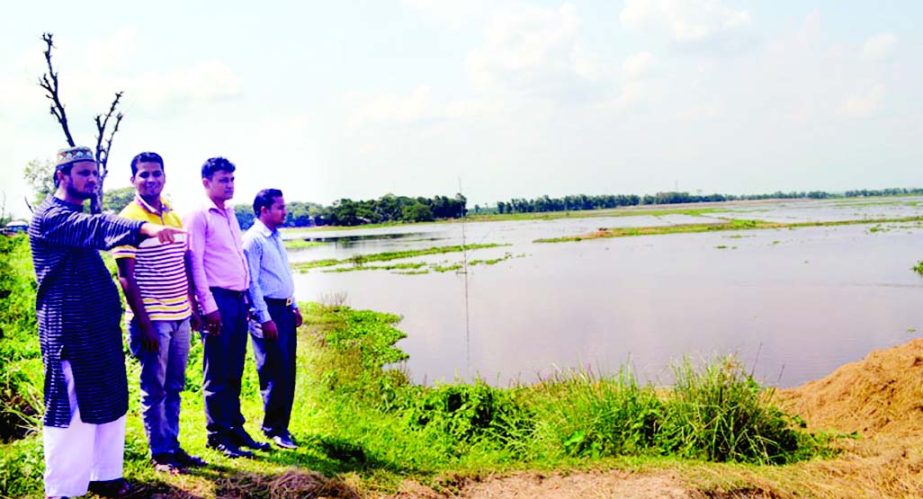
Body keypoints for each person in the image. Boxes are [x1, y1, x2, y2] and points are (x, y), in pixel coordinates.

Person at [29, 146, 184, 498]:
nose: (92, 179)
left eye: (95, 173)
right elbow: (98, 226)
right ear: (61, 176)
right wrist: (142, 227)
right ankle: (64, 489)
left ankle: (105, 475)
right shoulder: (51, 217)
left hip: (99, 327)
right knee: (71, 404)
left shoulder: (73, 213)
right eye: (83, 172)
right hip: (68, 327)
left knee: (110, 397)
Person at [112, 152, 207, 473]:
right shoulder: (128, 219)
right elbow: (125, 276)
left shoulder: (173, 214)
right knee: (154, 386)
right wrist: (145, 323)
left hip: (180, 314)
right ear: (133, 180)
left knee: (175, 385)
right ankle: (160, 454)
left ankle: (173, 445)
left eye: (156, 174)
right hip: (152, 318)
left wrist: (192, 307)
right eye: (144, 175)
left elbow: (182, 264)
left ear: (164, 177)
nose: (151, 180)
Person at [185, 157, 269, 458]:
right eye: (223, 180)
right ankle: (217, 434)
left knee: (235, 368)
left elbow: (236, 257)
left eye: (232, 179)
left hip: (236, 299)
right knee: (217, 370)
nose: (230, 184)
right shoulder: (198, 214)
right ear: (206, 182)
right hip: (216, 301)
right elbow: (194, 261)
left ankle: (235, 427)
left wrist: (246, 296)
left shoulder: (230, 213)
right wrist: (207, 307)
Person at [243, 189, 303, 449]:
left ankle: (282, 426)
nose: (284, 211)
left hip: (285, 310)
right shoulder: (253, 240)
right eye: (279, 207)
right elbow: (252, 283)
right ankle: (273, 428)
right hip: (269, 312)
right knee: (273, 371)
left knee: (287, 370)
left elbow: (284, 275)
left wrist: (295, 305)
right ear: (264, 210)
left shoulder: (275, 237)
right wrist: (265, 318)